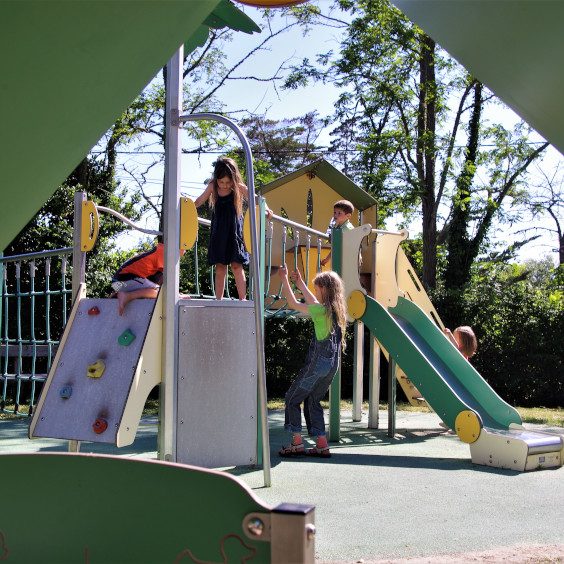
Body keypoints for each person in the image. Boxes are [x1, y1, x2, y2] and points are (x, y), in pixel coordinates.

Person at [277, 266, 347, 458]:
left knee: (292, 398)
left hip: (318, 365)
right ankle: (322, 445)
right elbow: (314, 301)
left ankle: (297, 443)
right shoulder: (334, 311)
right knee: (312, 401)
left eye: (317, 288)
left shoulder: (320, 311)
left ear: (325, 289)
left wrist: (284, 279)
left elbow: (293, 303)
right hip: (332, 366)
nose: (316, 292)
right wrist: (299, 283)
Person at [194, 157, 272, 300]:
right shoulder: (213, 186)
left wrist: (266, 209)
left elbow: (256, 199)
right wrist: (184, 208)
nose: (224, 185)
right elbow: (198, 201)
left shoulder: (239, 187)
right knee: (220, 267)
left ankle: (242, 299)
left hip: (235, 232)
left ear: (233, 179)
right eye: (221, 182)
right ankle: (218, 299)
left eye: (227, 182)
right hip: (219, 232)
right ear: (216, 178)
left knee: (237, 266)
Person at [111, 240, 187, 316]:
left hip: (117, 283)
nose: (185, 252)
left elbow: (161, 279)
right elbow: (168, 279)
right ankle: (127, 296)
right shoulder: (165, 253)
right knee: (161, 293)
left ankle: (119, 293)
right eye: (184, 249)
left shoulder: (161, 250)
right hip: (126, 278)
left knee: (158, 289)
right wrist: (176, 296)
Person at [320, 199, 355, 268]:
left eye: (339, 213)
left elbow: (339, 245)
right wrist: (327, 259)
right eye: (335, 212)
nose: (336, 215)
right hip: (344, 259)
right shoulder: (337, 226)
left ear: (348, 216)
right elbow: (336, 246)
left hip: (350, 260)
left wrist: (327, 259)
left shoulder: (347, 228)